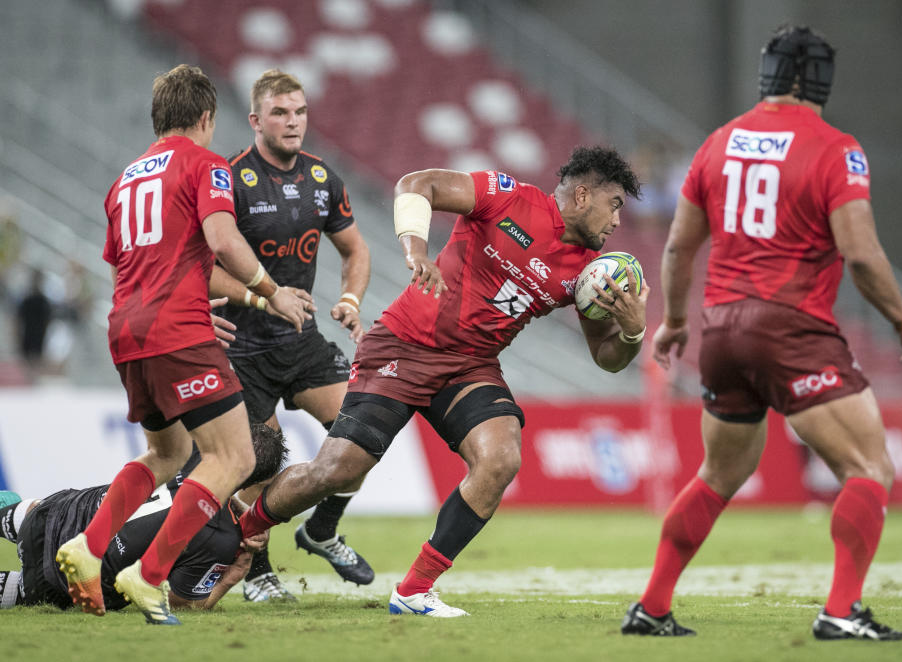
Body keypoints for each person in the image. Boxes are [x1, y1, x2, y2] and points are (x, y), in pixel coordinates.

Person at [239, 145, 647, 617]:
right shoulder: (507, 197)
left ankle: (414, 590)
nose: (617, 222)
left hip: (470, 366)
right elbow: (416, 184)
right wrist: (417, 251)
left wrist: (633, 330)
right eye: (614, 205)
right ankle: (243, 527)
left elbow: (607, 358)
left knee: (500, 458)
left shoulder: (588, 273)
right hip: (405, 345)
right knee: (337, 471)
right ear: (582, 196)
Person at [622, 25, 902, 641]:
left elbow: (681, 245)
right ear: (816, 78)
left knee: (717, 475)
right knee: (870, 468)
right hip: (791, 327)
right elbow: (862, 255)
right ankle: (841, 612)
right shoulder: (834, 146)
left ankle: (652, 606)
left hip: (722, 331)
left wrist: (677, 323)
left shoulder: (718, 144)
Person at [55, 64, 311, 626]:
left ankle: (89, 546)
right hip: (176, 330)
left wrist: (216, 304)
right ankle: (148, 576)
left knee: (167, 454)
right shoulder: (205, 164)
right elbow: (222, 239)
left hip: (126, 329)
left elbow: (142, 263)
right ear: (206, 118)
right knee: (235, 456)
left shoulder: (124, 180)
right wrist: (272, 291)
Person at [208, 69, 374, 601]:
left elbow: (357, 250)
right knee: (258, 463)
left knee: (365, 434)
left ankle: (321, 529)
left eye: (299, 111)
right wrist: (260, 296)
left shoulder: (322, 179)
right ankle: (257, 573)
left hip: (300, 342)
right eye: (280, 113)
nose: (293, 122)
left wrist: (349, 300)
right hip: (242, 347)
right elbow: (201, 264)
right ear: (256, 120)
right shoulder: (229, 177)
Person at [0, 424, 286, 612]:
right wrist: (232, 576)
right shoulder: (223, 537)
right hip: (55, 580)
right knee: (28, 593)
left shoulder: (189, 448)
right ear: (251, 481)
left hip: (48, 514)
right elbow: (182, 603)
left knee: (19, 507)